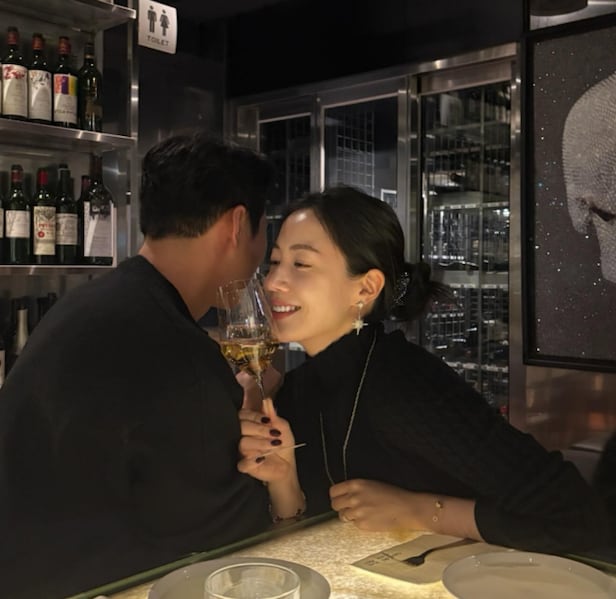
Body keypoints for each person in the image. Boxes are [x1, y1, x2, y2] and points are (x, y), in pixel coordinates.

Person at [237, 185, 609, 554]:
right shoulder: (296, 391)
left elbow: (577, 514)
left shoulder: (403, 384)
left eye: (300, 264)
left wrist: (418, 510)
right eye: (275, 262)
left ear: (366, 288)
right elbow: (306, 542)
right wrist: (284, 481)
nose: (272, 282)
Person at [0, 133, 277, 598]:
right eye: (266, 232)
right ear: (236, 225)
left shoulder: (92, 304)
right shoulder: (178, 352)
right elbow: (233, 544)